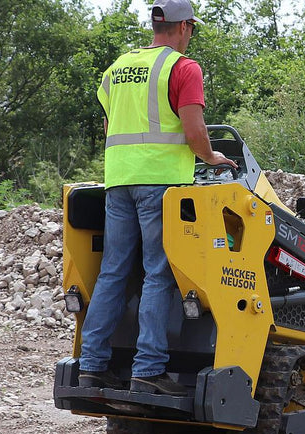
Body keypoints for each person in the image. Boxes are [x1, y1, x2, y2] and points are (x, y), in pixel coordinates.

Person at [78, 0, 236, 396]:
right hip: (162, 185)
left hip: (118, 182)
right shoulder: (183, 68)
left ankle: (92, 365)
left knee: (113, 271)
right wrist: (212, 156)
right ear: (185, 28)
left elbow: (109, 125)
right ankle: (148, 369)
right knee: (159, 272)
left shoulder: (118, 68)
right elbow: (195, 132)